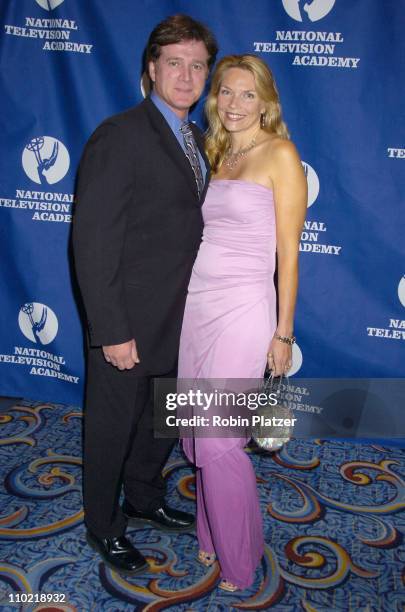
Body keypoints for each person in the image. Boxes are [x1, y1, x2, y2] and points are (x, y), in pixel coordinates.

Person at [72, 15, 218, 576]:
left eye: (197, 64)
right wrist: (111, 330)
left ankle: (143, 496)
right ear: (152, 69)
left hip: (182, 321)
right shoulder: (121, 134)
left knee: (159, 422)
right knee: (111, 426)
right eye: (174, 63)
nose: (186, 75)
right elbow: (93, 240)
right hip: (129, 321)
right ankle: (103, 526)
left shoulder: (201, 140)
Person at [178, 55, 307, 591]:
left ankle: (241, 558)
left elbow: (290, 255)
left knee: (217, 440)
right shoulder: (219, 151)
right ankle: (211, 536)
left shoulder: (281, 154)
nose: (233, 104)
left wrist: (283, 333)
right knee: (192, 434)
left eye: (247, 95)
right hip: (197, 306)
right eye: (226, 93)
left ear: (266, 102)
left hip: (245, 310)